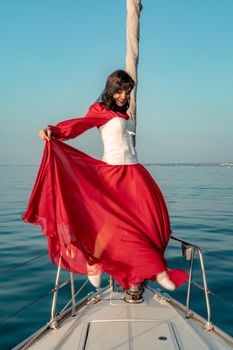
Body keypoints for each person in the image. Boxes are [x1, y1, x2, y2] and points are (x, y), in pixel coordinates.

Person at [23, 70, 187, 303]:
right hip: (112, 174)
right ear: (110, 90)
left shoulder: (125, 114)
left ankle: (157, 268)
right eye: (119, 91)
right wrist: (54, 131)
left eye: (127, 91)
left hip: (135, 174)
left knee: (151, 221)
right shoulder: (100, 111)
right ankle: (95, 262)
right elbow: (79, 125)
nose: (123, 96)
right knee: (107, 223)